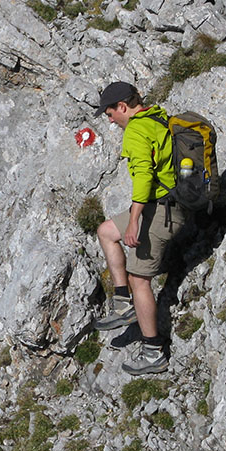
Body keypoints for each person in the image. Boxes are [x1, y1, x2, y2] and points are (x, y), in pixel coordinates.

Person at [93, 81, 185, 375]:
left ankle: (153, 351)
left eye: (109, 114)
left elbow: (144, 178)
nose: (109, 121)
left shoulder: (135, 130)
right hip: (164, 204)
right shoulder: (156, 116)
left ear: (122, 107)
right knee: (106, 231)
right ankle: (122, 303)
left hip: (162, 211)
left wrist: (134, 221)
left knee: (139, 278)